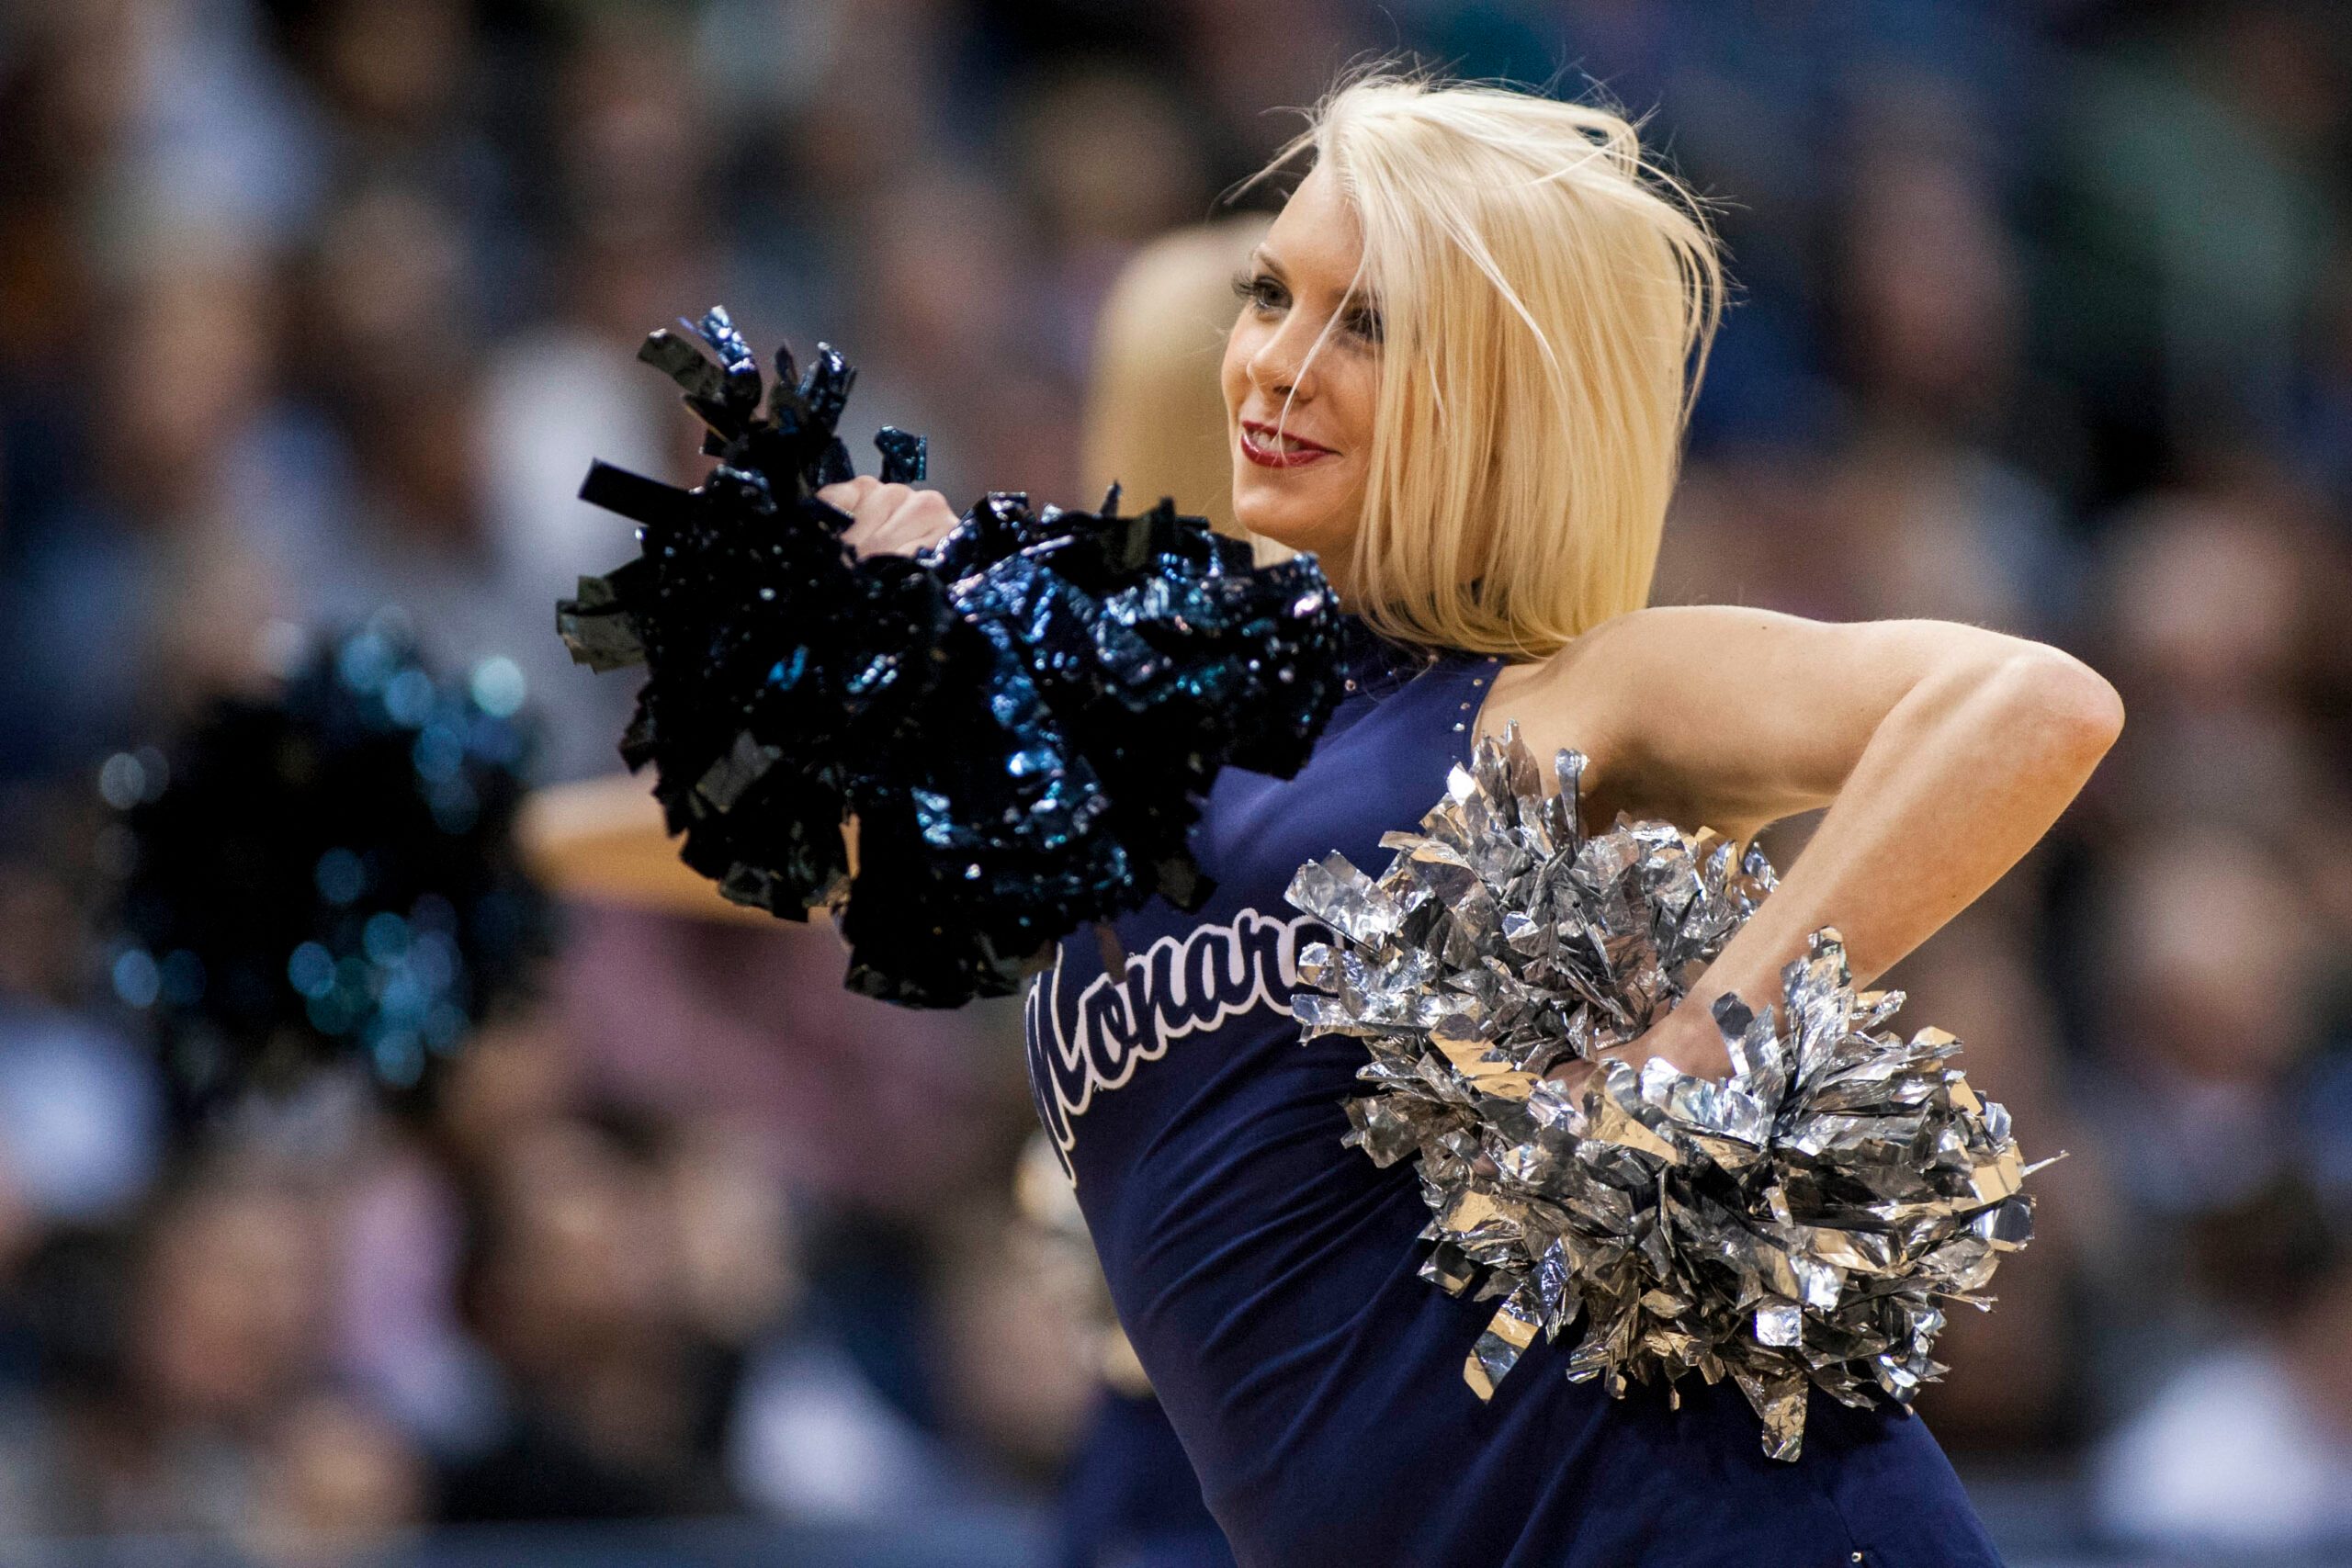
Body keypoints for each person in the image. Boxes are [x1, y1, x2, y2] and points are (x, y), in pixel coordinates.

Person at [737, 69, 2130, 1567]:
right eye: (1271, 294)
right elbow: (795, 842)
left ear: (1498, 390)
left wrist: (1715, 1026)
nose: (1277, 361)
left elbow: (2029, 705)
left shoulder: (1561, 697)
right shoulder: (1155, 738)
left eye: (1372, 325)